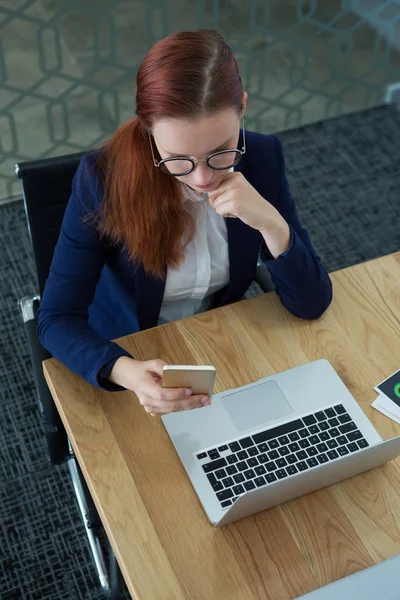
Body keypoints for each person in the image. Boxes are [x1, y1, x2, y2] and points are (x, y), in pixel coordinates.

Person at [38, 29, 332, 417]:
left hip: (221, 337)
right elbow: (56, 319)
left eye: (221, 152)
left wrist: (272, 224)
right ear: (148, 130)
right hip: (132, 348)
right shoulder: (102, 179)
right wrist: (126, 370)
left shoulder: (263, 157)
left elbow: (312, 303)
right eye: (178, 158)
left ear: (242, 107)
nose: (201, 180)